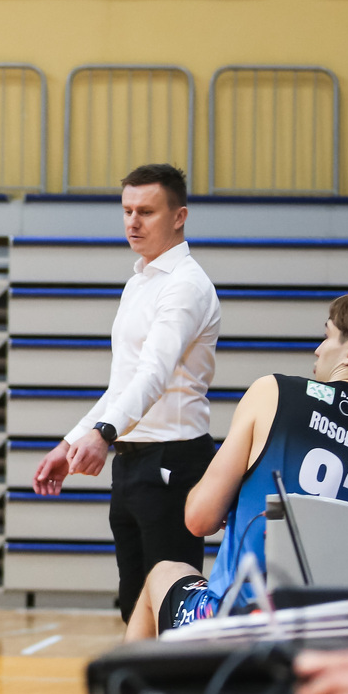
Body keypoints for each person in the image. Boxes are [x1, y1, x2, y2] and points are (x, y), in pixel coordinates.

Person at [125, 292, 348, 639]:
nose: (318, 350)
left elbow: (200, 520)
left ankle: (135, 677)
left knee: (164, 572)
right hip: (336, 633)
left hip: (241, 622)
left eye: (327, 336)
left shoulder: (275, 392)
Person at [33, 164, 220, 623]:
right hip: (132, 461)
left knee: (170, 606)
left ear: (179, 216)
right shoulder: (140, 281)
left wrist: (102, 433)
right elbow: (124, 385)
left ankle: (176, 673)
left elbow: (153, 375)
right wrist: (71, 442)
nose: (133, 222)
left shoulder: (185, 285)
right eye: (127, 211)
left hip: (173, 460)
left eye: (146, 212)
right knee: (134, 604)